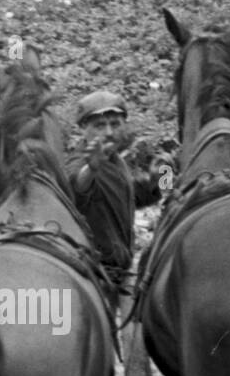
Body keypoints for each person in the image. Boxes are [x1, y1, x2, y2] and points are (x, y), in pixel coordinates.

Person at [67, 90, 161, 300]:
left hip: (123, 272)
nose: (109, 132)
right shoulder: (78, 162)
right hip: (94, 277)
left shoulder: (116, 162)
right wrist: (91, 168)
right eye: (99, 125)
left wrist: (161, 180)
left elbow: (129, 196)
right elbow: (78, 186)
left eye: (115, 124)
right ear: (83, 129)